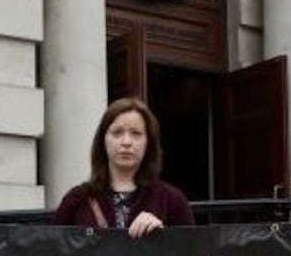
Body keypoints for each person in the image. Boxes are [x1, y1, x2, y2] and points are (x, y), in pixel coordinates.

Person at [53, 97, 194, 236]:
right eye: (117, 133)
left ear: (148, 143)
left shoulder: (172, 201)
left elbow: (192, 254)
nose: (126, 142)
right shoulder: (77, 200)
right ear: (103, 140)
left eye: (136, 134)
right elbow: (54, 253)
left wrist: (164, 237)